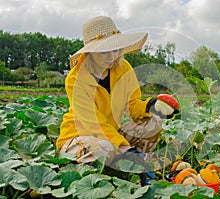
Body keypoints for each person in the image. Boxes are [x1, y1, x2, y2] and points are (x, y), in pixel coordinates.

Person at [56, 16, 179, 171]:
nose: (111, 57)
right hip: (78, 136)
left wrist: (151, 106)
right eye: (104, 52)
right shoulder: (75, 79)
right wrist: (123, 147)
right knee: (103, 148)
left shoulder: (123, 68)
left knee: (153, 124)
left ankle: (133, 164)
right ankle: (98, 168)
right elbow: (93, 122)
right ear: (90, 52)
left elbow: (133, 105)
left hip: (111, 134)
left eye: (115, 50)